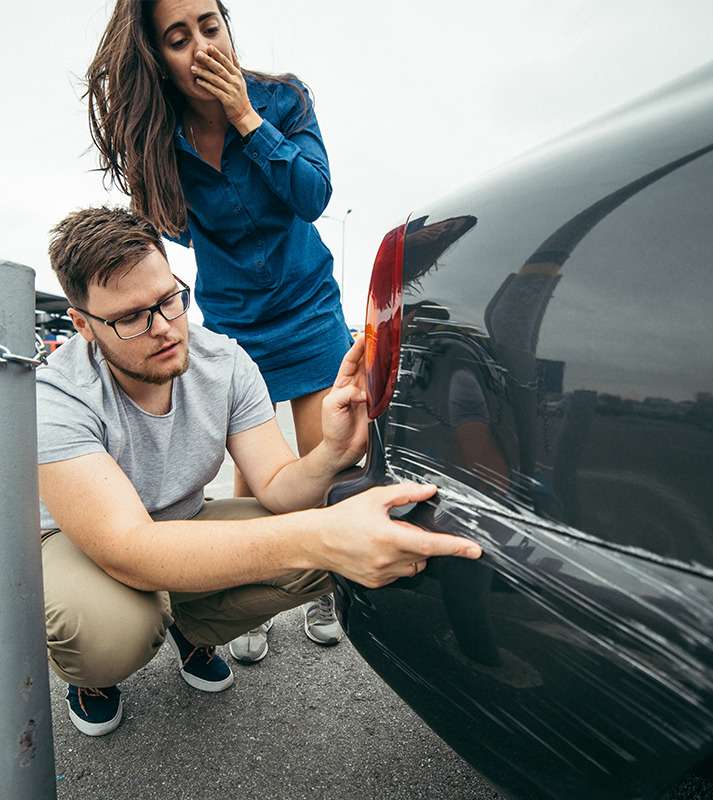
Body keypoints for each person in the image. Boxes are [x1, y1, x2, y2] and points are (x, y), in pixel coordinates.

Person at [38, 206, 482, 736]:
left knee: (325, 546)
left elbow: (277, 489)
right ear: (84, 325)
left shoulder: (222, 360)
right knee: (109, 632)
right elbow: (128, 549)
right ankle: (93, 677)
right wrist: (319, 536)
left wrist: (333, 452)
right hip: (83, 543)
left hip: (179, 523)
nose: (163, 329)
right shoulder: (57, 394)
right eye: (132, 317)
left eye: (169, 300)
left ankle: (191, 628)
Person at [85, 0, 353, 659]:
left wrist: (245, 119)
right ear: (160, 61)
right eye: (179, 38)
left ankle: (322, 588)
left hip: (308, 305)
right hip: (235, 322)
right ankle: (250, 591)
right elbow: (172, 226)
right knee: (256, 475)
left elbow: (312, 196)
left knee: (321, 463)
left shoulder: (283, 99)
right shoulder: (160, 139)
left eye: (211, 24)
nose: (203, 46)